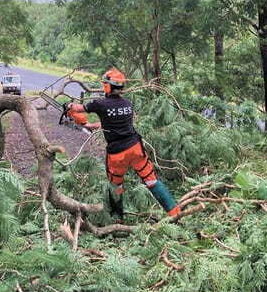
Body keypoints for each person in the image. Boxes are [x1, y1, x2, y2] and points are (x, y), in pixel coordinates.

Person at [66, 68, 181, 221]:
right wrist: (91, 125)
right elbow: (114, 122)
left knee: (116, 187)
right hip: (135, 148)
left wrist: (69, 107)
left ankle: (117, 220)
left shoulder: (100, 103)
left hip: (117, 153)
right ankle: (175, 212)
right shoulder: (127, 103)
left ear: (107, 86)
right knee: (151, 180)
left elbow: (78, 108)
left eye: (104, 84)